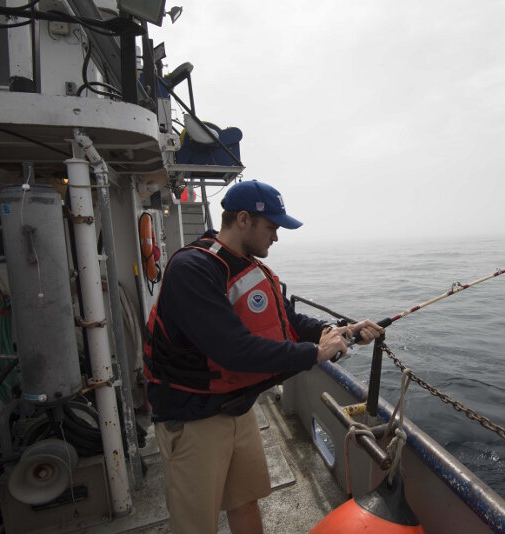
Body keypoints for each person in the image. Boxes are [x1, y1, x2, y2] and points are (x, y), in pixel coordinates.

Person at [144, 180, 383, 533]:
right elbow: (233, 350)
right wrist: (316, 353)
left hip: (239, 408)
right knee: (195, 523)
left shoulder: (248, 266)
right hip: (193, 418)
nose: (275, 236)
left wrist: (342, 329)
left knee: (245, 499)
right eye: (271, 227)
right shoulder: (193, 270)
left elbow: (288, 321)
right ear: (243, 219)